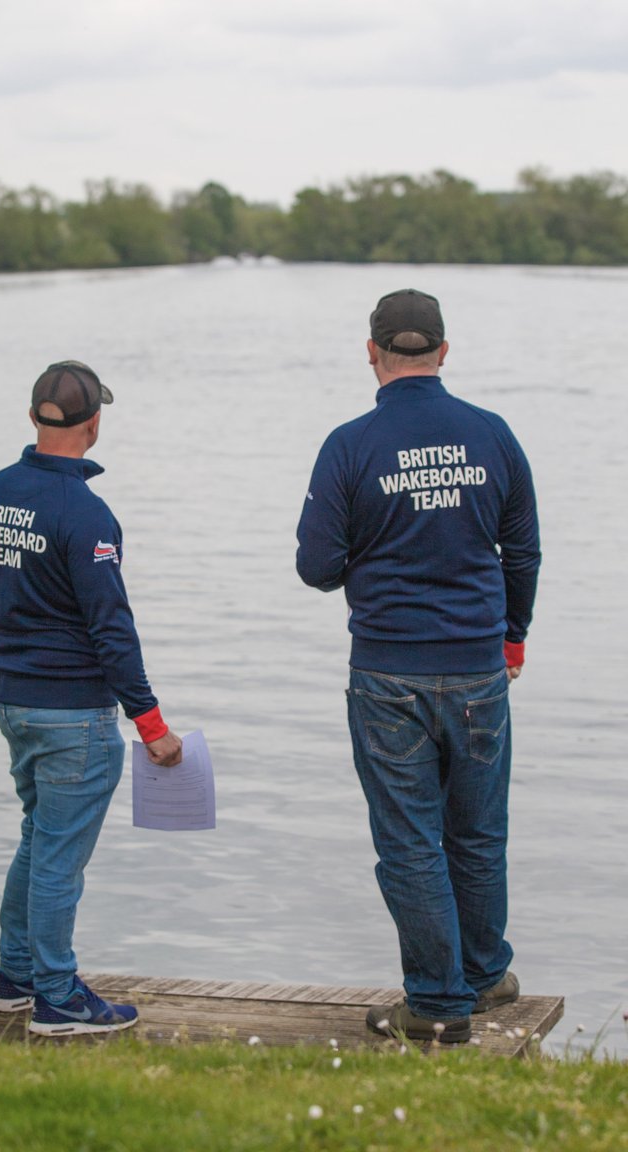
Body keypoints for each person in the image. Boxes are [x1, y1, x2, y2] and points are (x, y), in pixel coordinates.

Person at [296, 290, 540, 1044]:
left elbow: (316, 565)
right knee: (477, 831)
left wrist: (376, 550)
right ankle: (485, 974)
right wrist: (513, 637)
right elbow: (522, 550)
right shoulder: (492, 435)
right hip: (477, 668)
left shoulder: (349, 445)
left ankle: (437, 1005)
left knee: (410, 842)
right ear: (443, 349)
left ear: (372, 353)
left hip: (388, 673)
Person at [0, 360, 182, 1037]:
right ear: (93, 424)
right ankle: (56, 997)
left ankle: (15, 976)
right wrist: (151, 724)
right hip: (71, 714)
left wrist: (16, 658)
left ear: (34, 417)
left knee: (39, 837)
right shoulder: (85, 514)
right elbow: (111, 626)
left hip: (12, 702)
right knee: (59, 855)